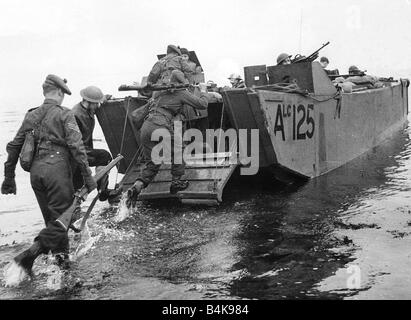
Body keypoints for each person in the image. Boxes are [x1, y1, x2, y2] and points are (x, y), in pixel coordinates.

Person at [1, 74, 96, 271]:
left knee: (53, 221)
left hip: (36, 173)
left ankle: (61, 263)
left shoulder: (31, 115)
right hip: (57, 171)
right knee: (62, 220)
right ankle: (31, 254)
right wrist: (89, 178)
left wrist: (9, 177)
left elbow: (13, 146)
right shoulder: (65, 114)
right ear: (60, 93)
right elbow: (78, 148)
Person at [126, 71, 209, 207]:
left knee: (153, 163)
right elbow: (202, 104)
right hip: (160, 125)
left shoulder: (159, 92)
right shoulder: (181, 92)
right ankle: (176, 182)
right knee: (179, 149)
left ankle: (136, 187)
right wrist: (203, 90)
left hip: (146, 127)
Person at [72, 86, 112, 201]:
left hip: (85, 150)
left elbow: (99, 102)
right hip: (77, 153)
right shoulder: (75, 115)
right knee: (104, 156)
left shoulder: (89, 108)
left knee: (104, 157)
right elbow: (73, 143)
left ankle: (102, 191)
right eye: (95, 103)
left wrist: (104, 98)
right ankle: (75, 208)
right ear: (88, 102)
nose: (97, 106)